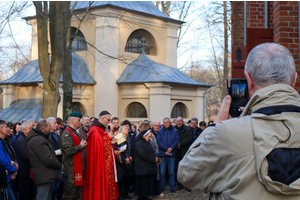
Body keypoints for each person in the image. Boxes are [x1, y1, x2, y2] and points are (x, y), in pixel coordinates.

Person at [178, 43, 300, 199]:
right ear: (294, 80)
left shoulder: (227, 133)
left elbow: (187, 175)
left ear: (249, 80)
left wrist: (215, 125)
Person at [82, 110, 119, 200]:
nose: (109, 122)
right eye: (108, 120)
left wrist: (110, 142)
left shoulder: (101, 129)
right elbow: (97, 147)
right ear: (103, 118)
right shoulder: (94, 130)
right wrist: (108, 138)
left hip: (103, 163)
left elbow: (103, 144)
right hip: (97, 165)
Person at [27, 118, 62, 200]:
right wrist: (60, 166)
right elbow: (48, 159)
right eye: (49, 126)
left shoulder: (40, 137)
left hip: (46, 174)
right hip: (43, 175)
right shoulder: (37, 140)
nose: (51, 128)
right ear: (43, 127)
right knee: (43, 197)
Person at [60, 112, 87, 200]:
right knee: (69, 195)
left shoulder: (74, 132)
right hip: (71, 170)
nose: (81, 122)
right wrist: (81, 146)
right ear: (72, 120)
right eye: (79, 120)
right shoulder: (66, 134)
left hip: (76, 168)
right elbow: (68, 150)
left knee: (76, 195)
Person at [134, 129, 159, 200]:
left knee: (147, 183)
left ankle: (146, 196)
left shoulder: (148, 143)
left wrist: (155, 157)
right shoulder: (138, 143)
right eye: (149, 136)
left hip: (147, 167)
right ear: (144, 136)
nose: (150, 138)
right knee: (143, 184)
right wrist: (153, 159)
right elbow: (142, 154)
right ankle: (142, 197)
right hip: (142, 167)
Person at [157, 117, 179, 195]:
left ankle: (172, 187)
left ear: (170, 122)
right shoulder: (159, 131)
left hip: (172, 154)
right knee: (162, 172)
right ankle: (161, 187)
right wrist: (166, 149)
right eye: (164, 122)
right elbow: (159, 141)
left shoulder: (175, 131)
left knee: (171, 172)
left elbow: (176, 141)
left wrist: (170, 149)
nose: (166, 124)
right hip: (162, 154)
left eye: (167, 122)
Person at [15, 122, 35, 200]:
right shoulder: (21, 140)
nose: (31, 130)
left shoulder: (27, 138)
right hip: (24, 172)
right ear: (24, 130)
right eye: (29, 128)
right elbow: (26, 156)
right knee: (24, 194)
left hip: (28, 172)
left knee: (30, 193)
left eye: (31, 128)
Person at [0, 120, 17, 200]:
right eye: (6, 127)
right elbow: (2, 160)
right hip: (3, 179)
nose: (9, 129)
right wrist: (13, 170)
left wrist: (11, 162)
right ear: (1, 129)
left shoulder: (2, 141)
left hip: (5, 177)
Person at [174, 117, 193, 191]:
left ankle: (187, 185)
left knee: (186, 169)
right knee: (177, 169)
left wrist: (180, 144)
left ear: (182, 122)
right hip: (176, 152)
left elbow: (190, 139)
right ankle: (179, 184)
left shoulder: (188, 129)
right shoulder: (174, 129)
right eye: (177, 121)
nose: (178, 123)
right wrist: (176, 145)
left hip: (184, 151)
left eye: (180, 121)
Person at [48, 117, 63, 200]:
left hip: (59, 163)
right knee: (52, 189)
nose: (56, 124)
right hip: (52, 165)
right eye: (55, 123)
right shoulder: (47, 136)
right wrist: (58, 151)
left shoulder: (56, 135)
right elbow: (48, 151)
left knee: (57, 188)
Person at [115, 125, 132, 200]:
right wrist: (124, 159)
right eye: (125, 128)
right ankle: (120, 194)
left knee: (127, 178)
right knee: (121, 179)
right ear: (121, 130)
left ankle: (126, 193)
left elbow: (130, 148)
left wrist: (130, 156)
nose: (127, 129)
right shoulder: (119, 138)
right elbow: (119, 150)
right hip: (121, 161)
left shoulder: (128, 138)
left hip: (128, 160)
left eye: (127, 128)